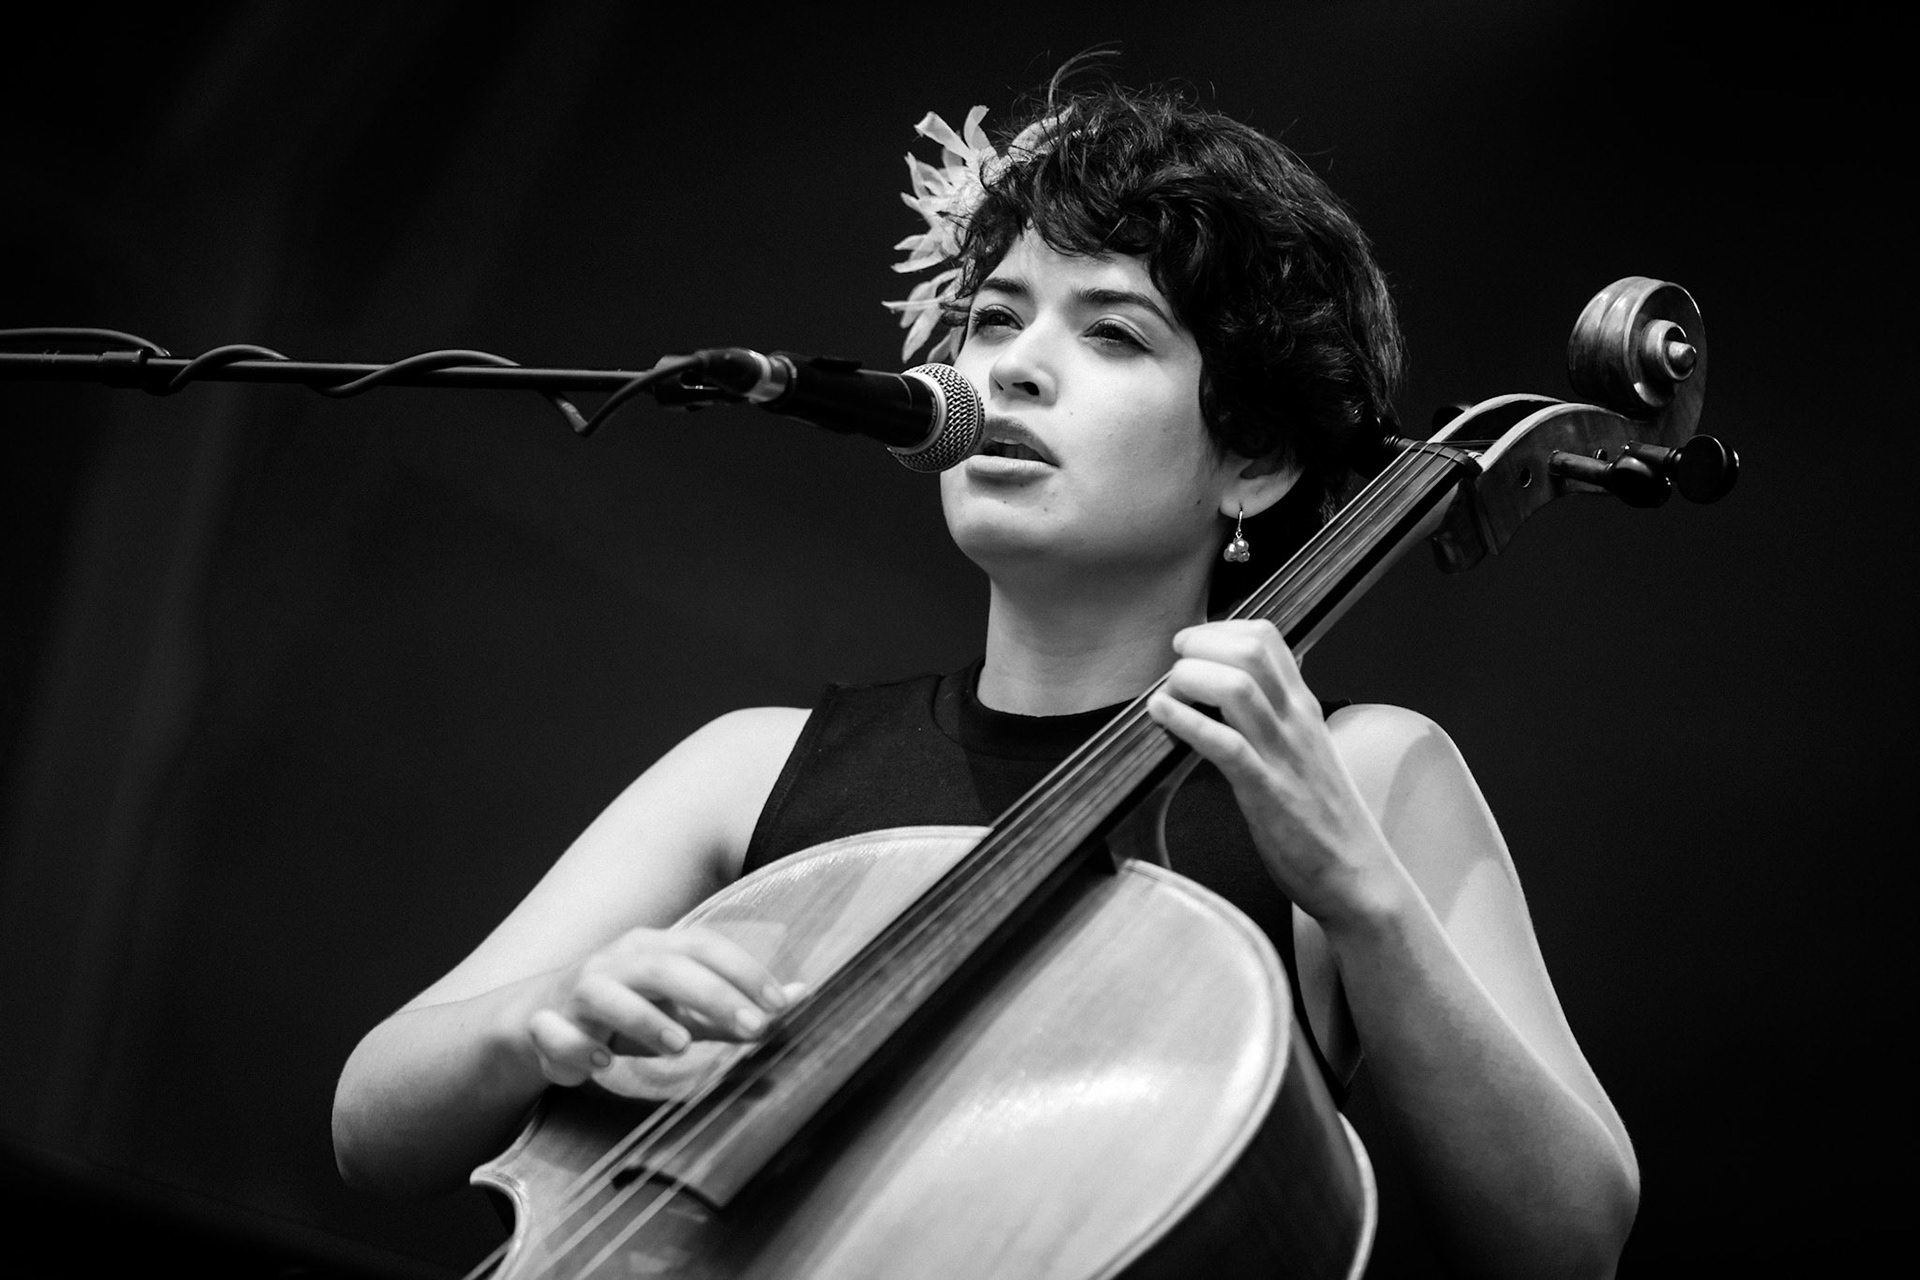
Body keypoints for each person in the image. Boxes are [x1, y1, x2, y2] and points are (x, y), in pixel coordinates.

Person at [332, 73, 1638, 1278]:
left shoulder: (1358, 773)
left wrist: (1362, 897)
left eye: (1114, 334)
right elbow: (375, 1123)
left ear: (1252, 460)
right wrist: (543, 1015)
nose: (1008, 364)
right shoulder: (751, 766)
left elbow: (1573, 1240)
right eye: (994, 317)